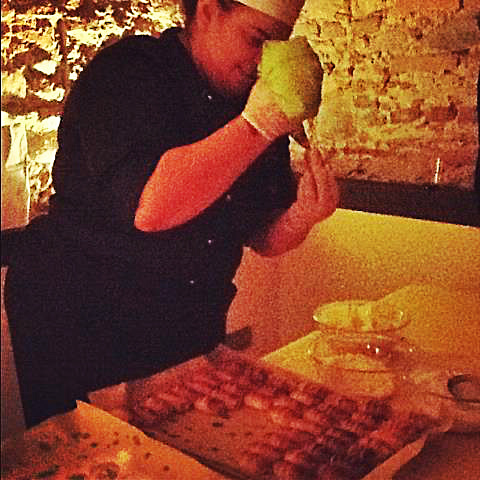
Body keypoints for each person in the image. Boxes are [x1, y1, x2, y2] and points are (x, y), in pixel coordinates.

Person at [3, 0, 338, 428]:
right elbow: (151, 208)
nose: (264, 60)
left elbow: (261, 233)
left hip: (189, 316)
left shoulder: (250, 97)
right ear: (209, 11)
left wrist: (301, 216)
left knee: (191, 443)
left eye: (278, 44)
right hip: (82, 313)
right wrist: (257, 126)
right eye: (256, 39)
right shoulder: (127, 74)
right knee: (91, 450)